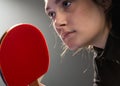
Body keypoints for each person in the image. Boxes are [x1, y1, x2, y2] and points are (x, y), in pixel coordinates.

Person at [44, 0, 120, 86]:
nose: (57, 23)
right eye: (52, 14)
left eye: (66, 4)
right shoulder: (104, 64)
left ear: (105, 1)